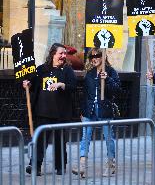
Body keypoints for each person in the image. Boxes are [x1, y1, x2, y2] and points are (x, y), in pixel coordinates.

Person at [23, 43, 76, 175]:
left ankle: (60, 167)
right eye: (61, 53)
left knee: (60, 141)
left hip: (61, 113)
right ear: (53, 54)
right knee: (40, 141)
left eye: (65, 53)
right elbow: (32, 85)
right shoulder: (42, 69)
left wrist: (61, 84)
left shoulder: (67, 70)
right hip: (44, 111)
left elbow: (73, 86)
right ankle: (35, 166)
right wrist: (27, 84)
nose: (63, 56)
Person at [72, 47, 121, 177]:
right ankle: (82, 164)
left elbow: (117, 90)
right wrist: (82, 111)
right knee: (85, 137)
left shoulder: (111, 72)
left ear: (103, 56)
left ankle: (111, 163)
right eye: (91, 57)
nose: (94, 59)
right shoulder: (90, 73)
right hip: (90, 110)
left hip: (105, 110)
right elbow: (85, 94)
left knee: (108, 137)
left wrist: (108, 79)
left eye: (97, 56)